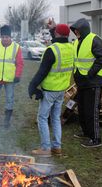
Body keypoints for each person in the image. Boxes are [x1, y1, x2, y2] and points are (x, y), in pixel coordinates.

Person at [28, 24, 74, 157]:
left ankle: (45, 148)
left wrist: (32, 86)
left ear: (56, 34)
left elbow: (42, 72)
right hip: (62, 89)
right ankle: (57, 147)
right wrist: (54, 27)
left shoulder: (51, 50)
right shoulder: (71, 48)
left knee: (42, 117)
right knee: (55, 118)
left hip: (49, 90)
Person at [70, 18, 102, 148]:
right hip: (82, 83)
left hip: (93, 83)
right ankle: (86, 132)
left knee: (92, 111)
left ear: (83, 29)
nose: (75, 32)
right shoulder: (76, 42)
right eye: (74, 31)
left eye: (77, 30)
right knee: (83, 109)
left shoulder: (95, 40)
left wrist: (90, 73)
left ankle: (96, 139)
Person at [0, 25, 24, 128]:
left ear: (10, 37)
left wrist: (17, 75)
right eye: (3, 37)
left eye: (7, 37)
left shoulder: (16, 47)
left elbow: (20, 63)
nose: (5, 39)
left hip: (10, 78)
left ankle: (6, 122)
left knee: (10, 99)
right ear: (0, 37)